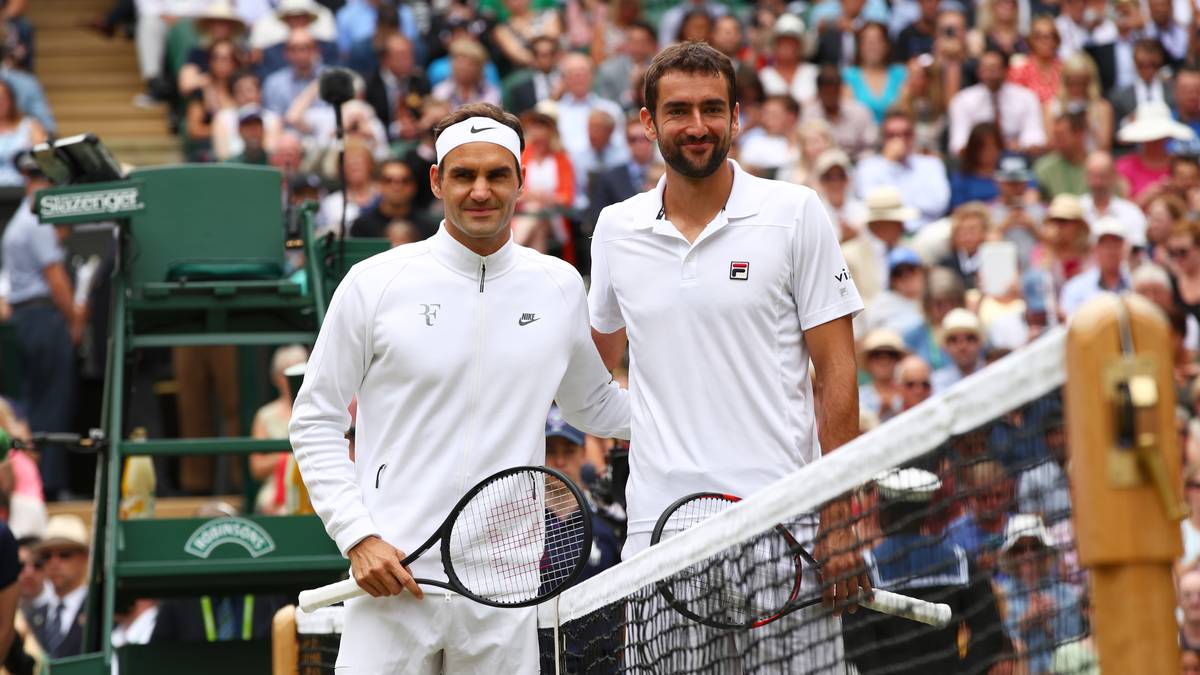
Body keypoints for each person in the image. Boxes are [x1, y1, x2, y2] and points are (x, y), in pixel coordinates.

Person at [289, 102, 631, 673]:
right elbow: (315, 418)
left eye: (497, 174)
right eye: (463, 174)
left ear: (521, 181)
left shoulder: (558, 285)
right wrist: (357, 536)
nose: (480, 191)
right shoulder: (375, 283)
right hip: (393, 581)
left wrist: (703, 409)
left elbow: (593, 403)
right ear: (436, 180)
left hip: (506, 593)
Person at [588, 43, 871, 664]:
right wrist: (648, 427)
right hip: (660, 541)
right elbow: (592, 369)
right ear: (647, 122)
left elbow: (837, 373)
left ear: (736, 116)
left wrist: (841, 517)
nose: (697, 126)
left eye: (713, 109)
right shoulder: (615, 228)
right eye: (679, 111)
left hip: (786, 527)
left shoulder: (794, 213)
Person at [842, 469, 1005, 674]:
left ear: (885, 509)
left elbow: (856, 644)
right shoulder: (960, 562)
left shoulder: (865, 570)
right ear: (926, 510)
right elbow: (990, 635)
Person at [1, 153, 80, 501]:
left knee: (32, 403)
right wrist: (75, 318)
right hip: (43, 317)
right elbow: (56, 278)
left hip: (23, 319)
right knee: (52, 401)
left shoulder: (18, 221)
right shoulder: (35, 220)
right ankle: (49, 485)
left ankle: (32, 483)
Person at [854, 110, 950, 232]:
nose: (900, 140)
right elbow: (869, 200)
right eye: (892, 135)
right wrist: (890, 164)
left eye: (906, 134)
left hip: (924, 232)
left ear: (913, 136)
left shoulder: (931, 164)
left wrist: (894, 204)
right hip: (883, 233)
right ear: (883, 138)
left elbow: (938, 204)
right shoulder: (868, 166)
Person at [947, 49, 1046, 156]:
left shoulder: (1026, 98)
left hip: (1018, 157)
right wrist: (985, 149)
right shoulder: (963, 100)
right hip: (977, 159)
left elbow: (1036, 136)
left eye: (994, 68)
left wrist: (1021, 145)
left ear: (1005, 70)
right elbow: (958, 143)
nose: (990, 74)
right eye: (985, 69)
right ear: (978, 71)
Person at [28, 515, 87, 659]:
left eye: (64, 554)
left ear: (85, 558)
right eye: (46, 556)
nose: (54, 563)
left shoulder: (101, 610)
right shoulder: (35, 615)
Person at [1058, 217, 1130, 316]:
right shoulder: (1074, 288)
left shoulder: (1137, 283)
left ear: (1124, 248)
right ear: (1094, 249)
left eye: (1116, 243)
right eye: (1105, 244)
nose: (1111, 250)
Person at [931, 308, 985, 393]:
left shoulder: (995, 371)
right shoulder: (937, 382)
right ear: (945, 347)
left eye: (969, 338)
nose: (962, 346)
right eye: (953, 340)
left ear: (979, 343)